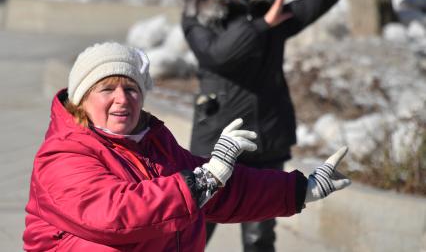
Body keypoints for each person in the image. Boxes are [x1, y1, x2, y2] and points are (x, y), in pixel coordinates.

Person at [23, 42, 350, 251]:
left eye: (131, 89)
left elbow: (224, 191)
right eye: (106, 88)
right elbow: (115, 216)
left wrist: (298, 190)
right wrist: (203, 181)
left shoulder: (154, 143)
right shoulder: (64, 153)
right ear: (82, 99)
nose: (122, 99)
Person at [181, 0, 352, 251]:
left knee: (260, 236)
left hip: (267, 138)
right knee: (198, 226)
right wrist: (260, 26)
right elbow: (219, 55)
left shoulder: (268, 10)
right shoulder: (198, 17)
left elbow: (317, 1)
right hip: (218, 140)